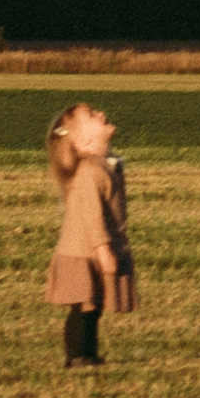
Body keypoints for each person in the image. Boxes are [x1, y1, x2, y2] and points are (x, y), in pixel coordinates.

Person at [44, 100, 136, 374]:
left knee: (92, 308)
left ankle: (89, 355)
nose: (102, 113)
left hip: (90, 251)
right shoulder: (90, 172)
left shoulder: (103, 166)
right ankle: (76, 356)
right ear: (83, 142)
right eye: (93, 115)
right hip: (83, 252)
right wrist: (103, 250)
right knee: (83, 308)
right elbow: (92, 216)